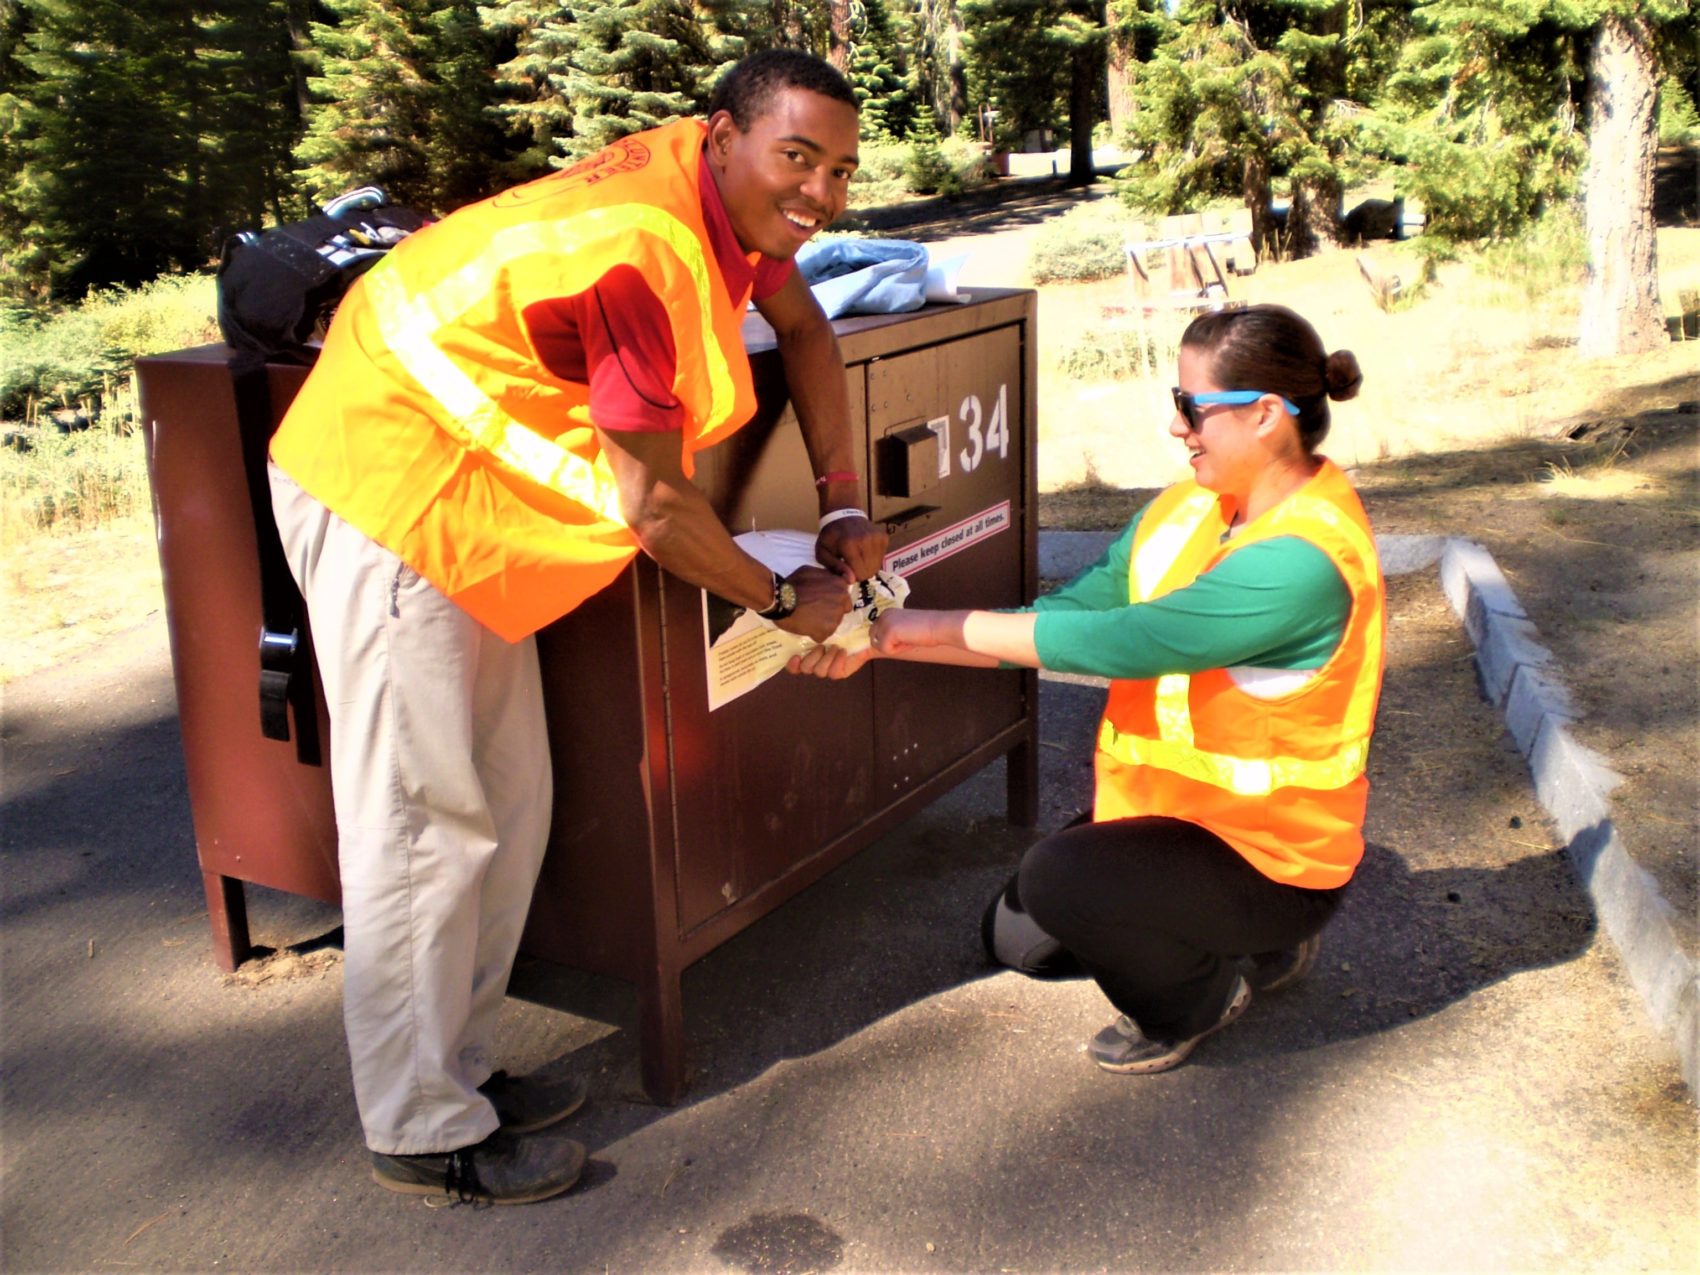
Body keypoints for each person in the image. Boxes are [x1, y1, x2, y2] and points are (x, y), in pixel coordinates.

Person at [265, 48, 887, 1205]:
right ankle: (419, 1124)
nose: (819, 194)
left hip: (467, 507)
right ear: (724, 134)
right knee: (424, 822)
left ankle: (456, 1068)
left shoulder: (723, 210)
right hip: (391, 497)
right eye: (798, 158)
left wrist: (844, 498)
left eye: (842, 171)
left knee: (507, 804)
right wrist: (780, 603)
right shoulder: (646, 252)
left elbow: (802, 327)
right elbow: (657, 509)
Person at [792, 304, 1384, 1074]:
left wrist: (916, 627)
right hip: (1177, 822)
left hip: (1275, 858)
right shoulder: (1187, 510)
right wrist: (886, 640)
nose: (1177, 427)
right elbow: (1063, 617)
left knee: (1059, 878)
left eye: (1190, 405)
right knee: (1019, 939)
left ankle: (1203, 998)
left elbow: (1120, 644)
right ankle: (1222, 940)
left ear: (1266, 414)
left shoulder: (1300, 561)